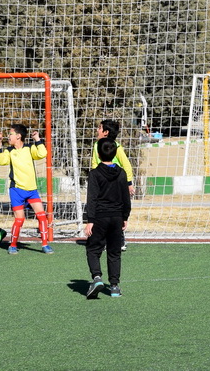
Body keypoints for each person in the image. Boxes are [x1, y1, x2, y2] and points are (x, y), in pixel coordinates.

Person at [84, 138, 131, 299]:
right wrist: (125, 216)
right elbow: (126, 197)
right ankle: (115, 287)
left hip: (100, 217)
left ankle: (97, 277)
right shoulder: (122, 173)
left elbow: (92, 198)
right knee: (114, 252)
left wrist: (90, 220)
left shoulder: (95, 174)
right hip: (117, 217)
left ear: (98, 153)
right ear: (115, 153)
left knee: (93, 249)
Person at [0, 124, 53, 254]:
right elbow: (2, 161)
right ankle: (13, 245)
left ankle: (45, 245)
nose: (8, 136)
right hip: (17, 190)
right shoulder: (9, 151)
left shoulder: (29, 148)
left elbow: (42, 153)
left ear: (18, 136)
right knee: (20, 219)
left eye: (10, 134)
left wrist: (37, 139)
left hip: (32, 190)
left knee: (42, 216)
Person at [91, 119, 135, 250]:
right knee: (102, 210)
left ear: (105, 132)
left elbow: (126, 165)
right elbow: (94, 163)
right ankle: (102, 240)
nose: (97, 130)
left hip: (116, 184)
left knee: (117, 211)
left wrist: (129, 183)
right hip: (102, 185)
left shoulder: (117, 147)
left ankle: (120, 240)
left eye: (99, 128)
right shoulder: (96, 146)